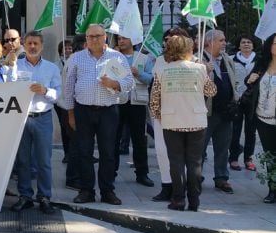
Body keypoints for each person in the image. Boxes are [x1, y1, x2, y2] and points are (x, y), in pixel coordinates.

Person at [64, 24, 134, 205]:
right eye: (90, 37)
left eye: (97, 36)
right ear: (86, 39)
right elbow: (69, 86)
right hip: (83, 111)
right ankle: (86, 190)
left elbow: (129, 82)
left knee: (108, 153)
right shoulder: (76, 58)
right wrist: (70, 114)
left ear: (105, 37)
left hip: (108, 111)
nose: (94, 39)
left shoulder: (117, 57)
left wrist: (114, 84)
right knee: (84, 152)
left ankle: (107, 191)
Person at [149, 35, 216, 211]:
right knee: (195, 162)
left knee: (176, 162)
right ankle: (194, 201)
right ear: (189, 50)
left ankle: (178, 200)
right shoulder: (200, 68)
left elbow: (154, 99)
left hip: (171, 121)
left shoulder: (162, 71)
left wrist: (158, 116)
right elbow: (211, 91)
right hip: (196, 120)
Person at [10, 31, 61, 215]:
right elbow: (8, 90)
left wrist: (45, 90)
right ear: (23, 44)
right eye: (29, 43)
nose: (32, 46)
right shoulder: (15, 66)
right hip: (21, 118)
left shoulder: (51, 68)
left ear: (42, 46)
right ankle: (25, 196)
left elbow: (57, 95)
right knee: (23, 160)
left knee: (43, 161)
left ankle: (45, 197)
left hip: (43, 118)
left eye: (36, 44)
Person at [150, 27, 193, 202]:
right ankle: (167, 185)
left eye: (173, 38)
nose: (168, 41)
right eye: (166, 38)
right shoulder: (160, 60)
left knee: (184, 153)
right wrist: (155, 111)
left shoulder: (195, 62)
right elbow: (155, 87)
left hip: (186, 113)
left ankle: (183, 187)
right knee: (162, 150)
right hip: (163, 113)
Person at [202, 30, 241, 194]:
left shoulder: (227, 59)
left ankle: (222, 178)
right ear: (209, 42)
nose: (225, 43)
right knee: (199, 147)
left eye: (224, 40)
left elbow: (233, 81)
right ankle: (195, 176)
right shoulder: (198, 60)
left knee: (223, 147)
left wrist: (235, 99)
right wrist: (204, 70)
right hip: (206, 112)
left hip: (226, 112)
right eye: (221, 40)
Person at [240, 33, 276, 203]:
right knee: (270, 156)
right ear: (269, 46)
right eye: (275, 43)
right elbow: (249, 81)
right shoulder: (262, 64)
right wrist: (250, 79)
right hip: (263, 117)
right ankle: (273, 190)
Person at [115, 35, 154, 187]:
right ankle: (111, 171)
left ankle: (142, 173)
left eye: (125, 38)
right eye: (119, 39)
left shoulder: (144, 59)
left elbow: (151, 79)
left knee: (139, 139)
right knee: (113, 138)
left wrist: (139, 74)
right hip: (118, 101)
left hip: (137, 102)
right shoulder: (114, 57)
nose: (121, 41)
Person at [230, 34, 258, 172]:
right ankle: (233, 158)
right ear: (239, 45)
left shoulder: (260, 60)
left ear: (253, 45)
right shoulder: (231, 59)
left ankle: (248, 158)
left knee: (251, 131)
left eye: (249, 42)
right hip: (237, 100)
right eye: (243, 42)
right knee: (235, 130)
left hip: (253, 100)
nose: (246, 44)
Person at [62, 34, 86, 190]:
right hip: (74, 105)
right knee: (77, 144)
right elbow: (68, 86)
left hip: (77, 106)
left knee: (79, 144)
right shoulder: (76, 60)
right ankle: (73, 177)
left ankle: (79, 176)